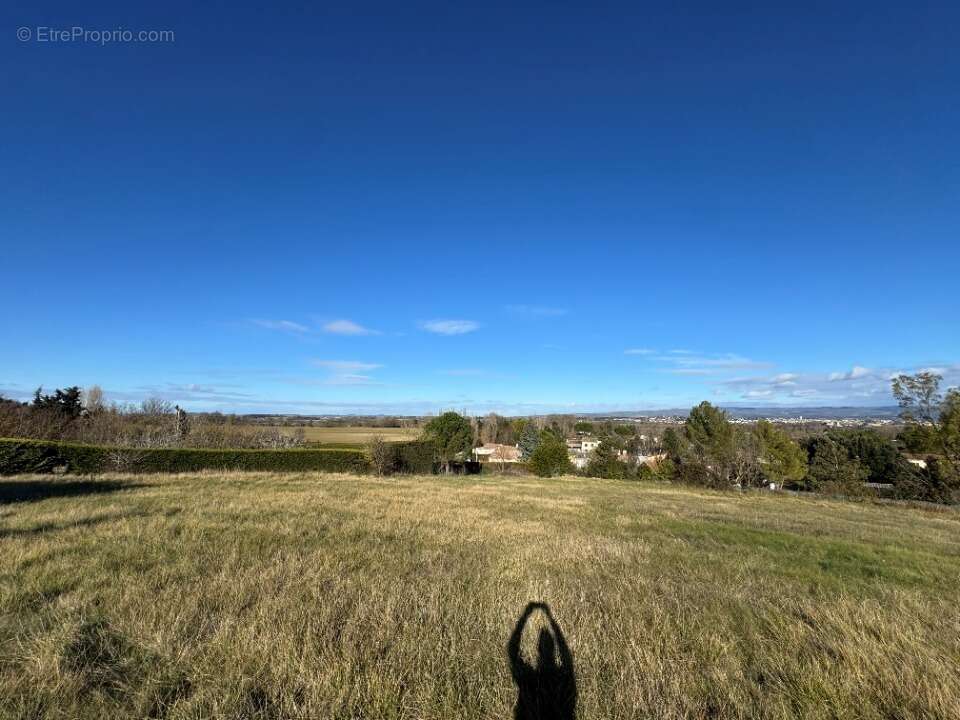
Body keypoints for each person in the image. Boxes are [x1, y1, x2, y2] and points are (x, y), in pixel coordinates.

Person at [507, 602, 577, 720]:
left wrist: (526, 615)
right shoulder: (559, 679)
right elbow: (567, 659)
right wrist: (551, 619)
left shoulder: (531, 680)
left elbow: (512, 652)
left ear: (537, 649)